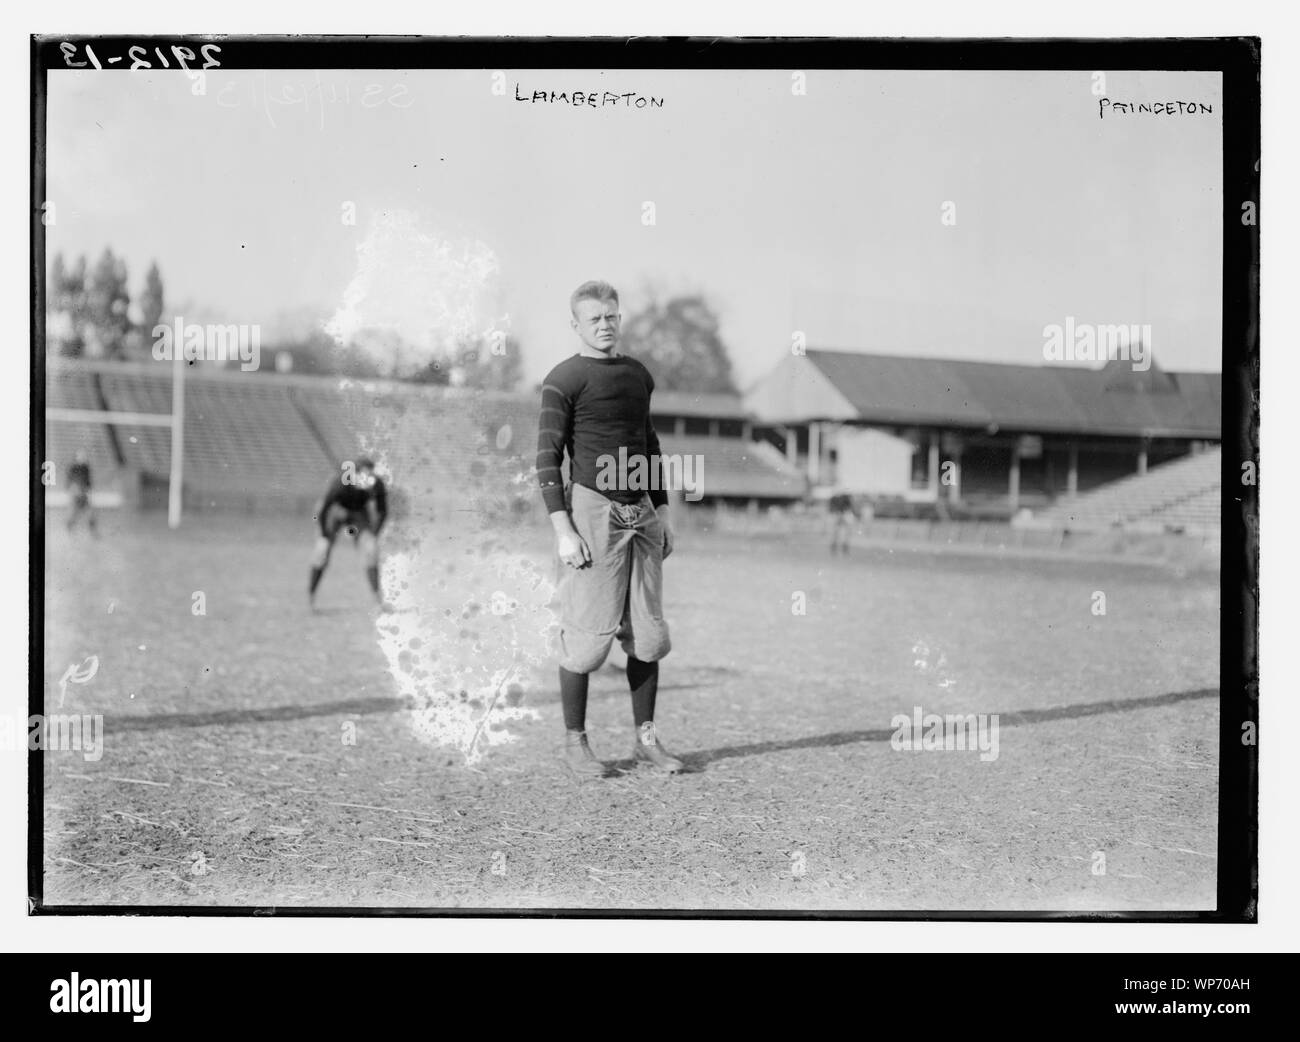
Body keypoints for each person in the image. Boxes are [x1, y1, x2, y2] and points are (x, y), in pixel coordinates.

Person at [536, 280, 682, 777]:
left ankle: (646, 741)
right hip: (592, 510)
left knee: (648, 634)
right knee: (586, 639)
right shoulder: (564, 378)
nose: (604, 325)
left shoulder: (638, 375)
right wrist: (564, 528)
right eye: (594, 318)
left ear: (620, 318)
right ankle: (574, 744)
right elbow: (547, 457)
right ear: (576, 324)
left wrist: (662, 510)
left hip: (640, 509)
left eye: (611, 316)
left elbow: (649, 444)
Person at [309, 457, 389, 609]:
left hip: (358, 512)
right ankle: (311, 598)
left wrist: (374, 535)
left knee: (371, 549)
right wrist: (325, 535)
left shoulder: (376, 483)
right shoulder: (340, 483)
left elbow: (383, 512)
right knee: (322, 550)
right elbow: (324, 510)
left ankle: (378, 600)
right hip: (335, 510)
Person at [66, 450, 98, 535]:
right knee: (74, 513)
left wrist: (88, 491)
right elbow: (70, 482)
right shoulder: (73, 468)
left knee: (90, 512)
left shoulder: (86, 468)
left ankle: (93, 531)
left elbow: (88, 481)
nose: (83, 458)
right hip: (76, 494)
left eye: (84, 456)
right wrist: (74, 491)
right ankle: (70, 529)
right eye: (81, 456)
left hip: (84, 493)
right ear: (76, 457)